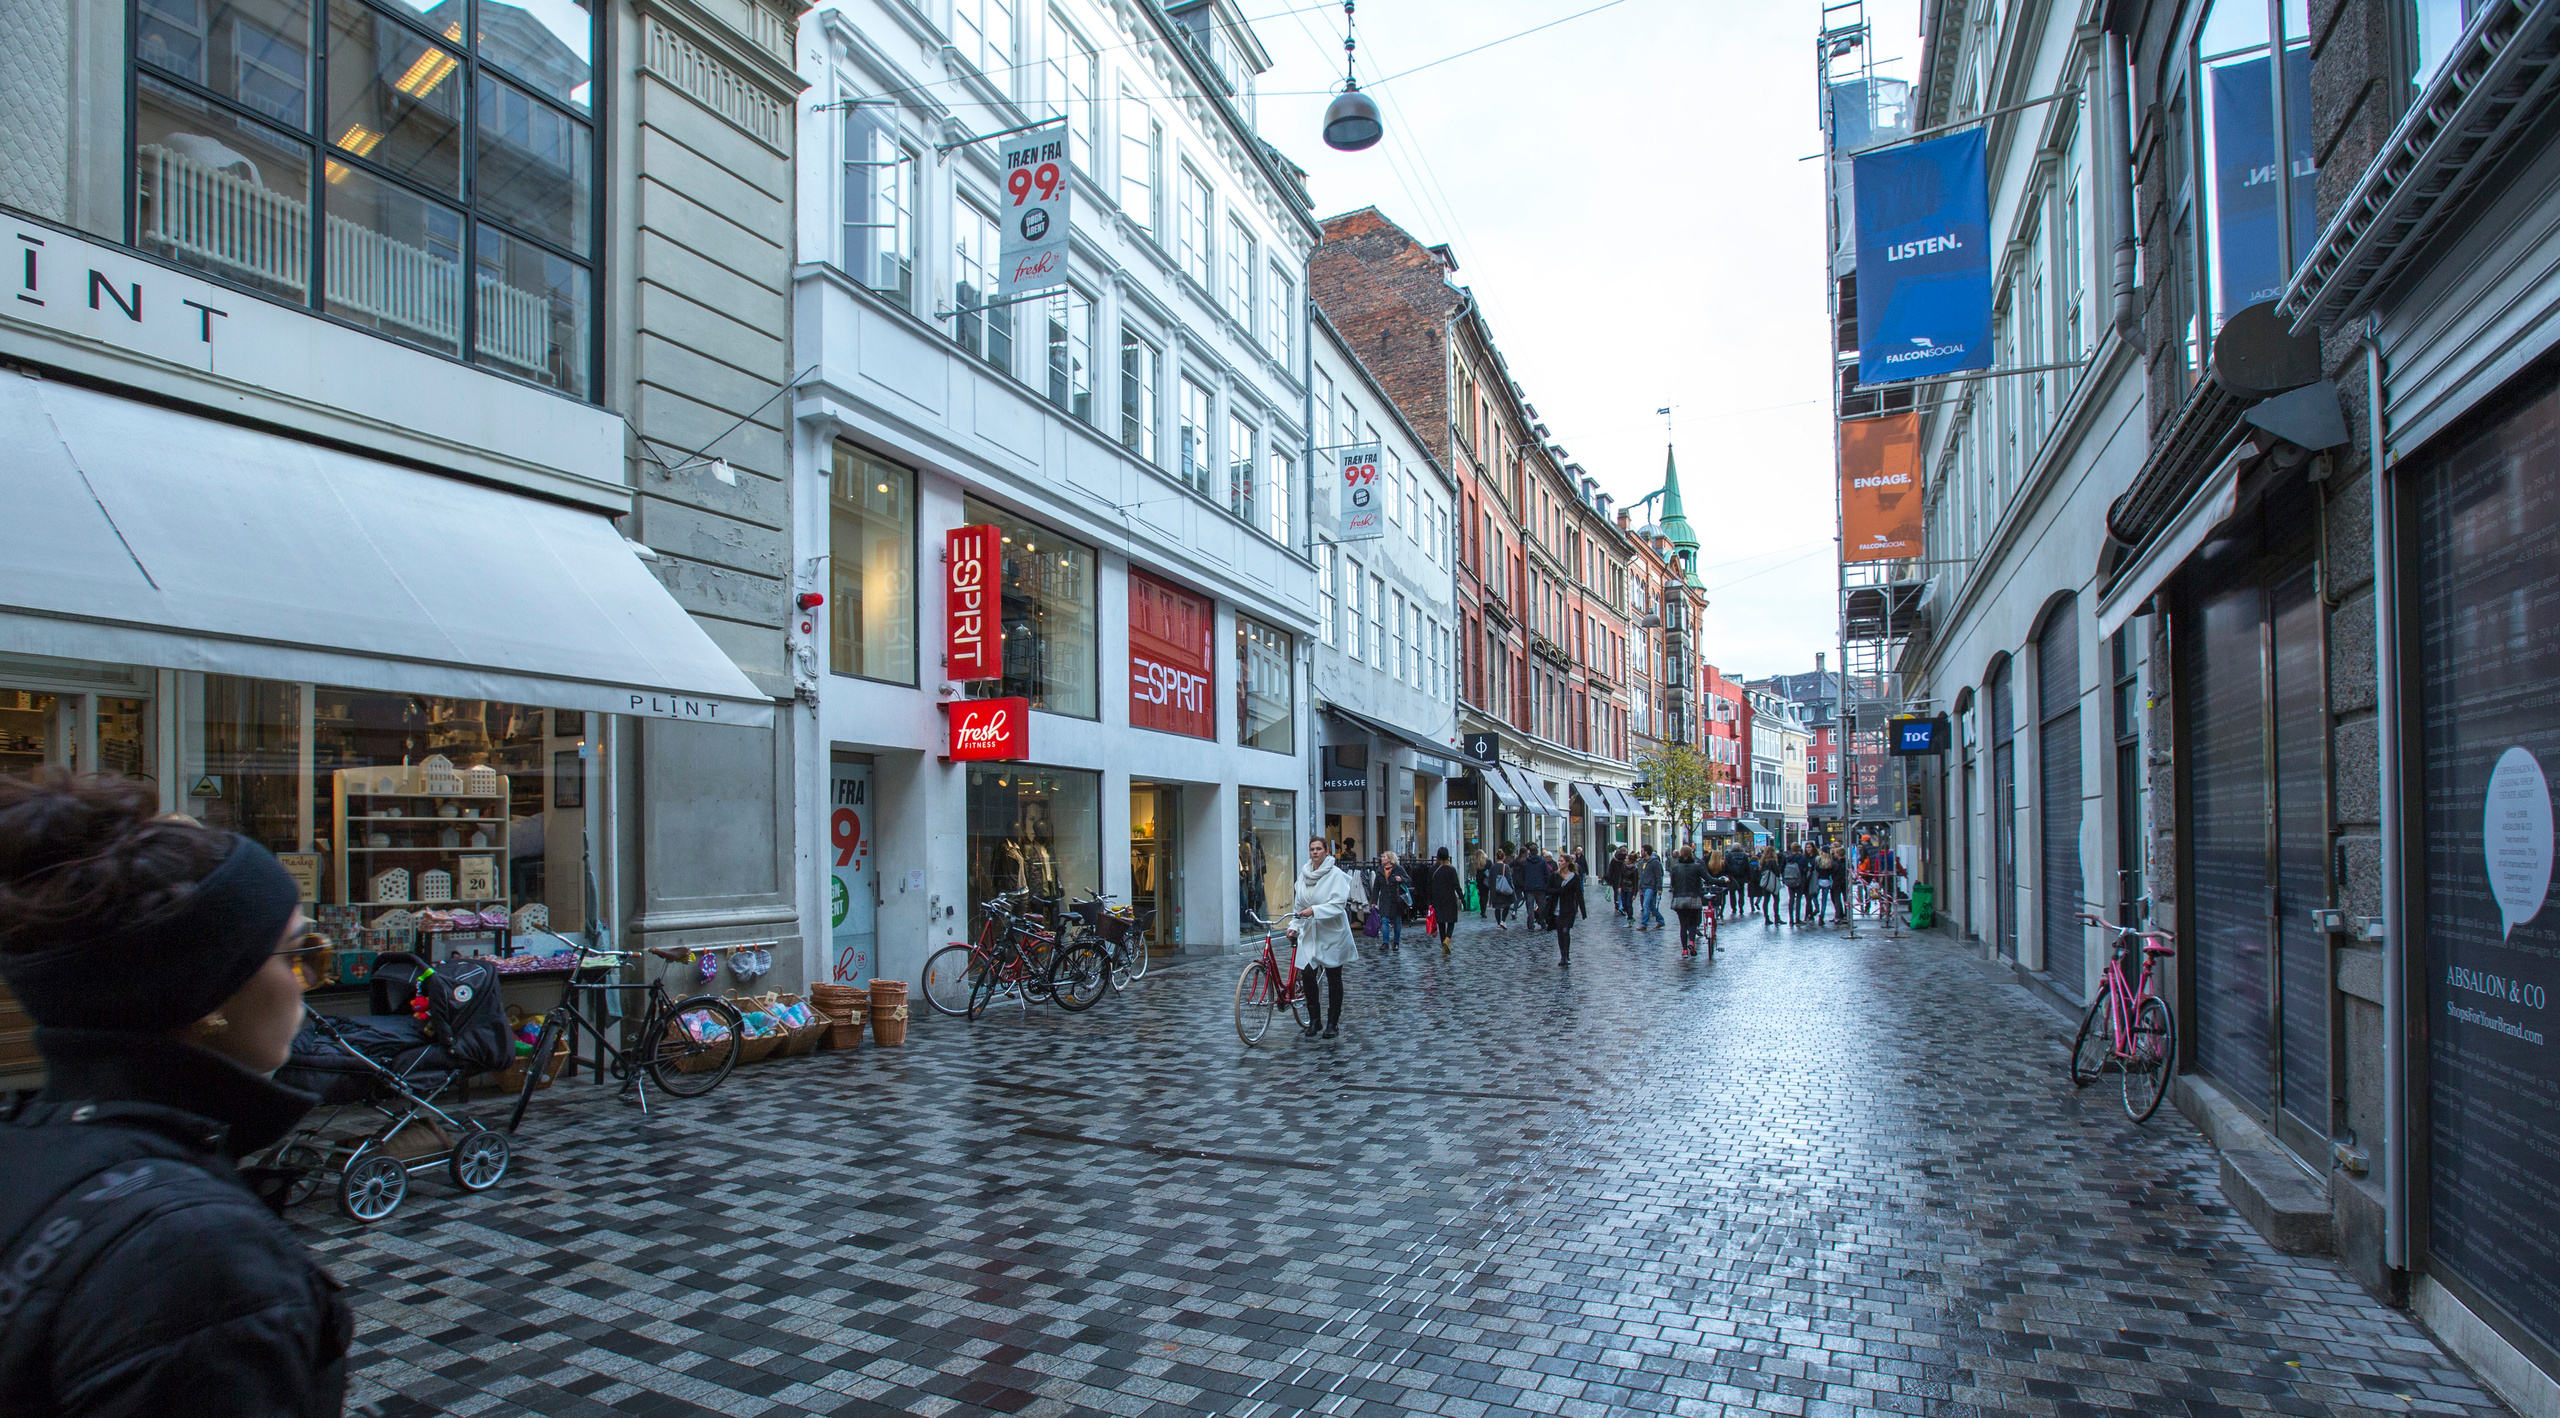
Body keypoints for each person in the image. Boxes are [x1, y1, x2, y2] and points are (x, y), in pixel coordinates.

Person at [0, 771, 353, 1415]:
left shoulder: (31, 1147)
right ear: (211, 994)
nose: (308, 981)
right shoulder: (195, 1254)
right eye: (299, 953)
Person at [1290, 836, 1360, 1039]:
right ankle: (1314, 1020)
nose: (1315, 852)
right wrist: (1294, 926)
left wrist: (1314, 910)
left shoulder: (1336, 875)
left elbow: (1338, 904)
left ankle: (1333, 1023)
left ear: (1327, 851)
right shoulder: (1304, 875)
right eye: (1312, 848)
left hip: (1331, 932)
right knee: (1308, 975)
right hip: (1310, 933)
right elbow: (1298, 906)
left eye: (1319, 848)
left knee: (1333, 976)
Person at [1666, 846, 1707, 956]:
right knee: (1693, 923)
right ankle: (1692, 942)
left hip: (1679, 899)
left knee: (1683, 925)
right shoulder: (1697, 867)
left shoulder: (1675, 868)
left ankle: (1684, 950)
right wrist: (1723, 881)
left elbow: (1673, 884)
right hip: (1693, 898)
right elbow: (1708, 879)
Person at [1548, 851, 1585, 966]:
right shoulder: (1555, 875)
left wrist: (1583, 911)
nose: (1559, 863)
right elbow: (1547, 890)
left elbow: (1579, 894)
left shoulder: (1575, 877)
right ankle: (1562, 955)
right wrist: (1557, 891)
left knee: (1565, 931)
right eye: (1559, 861)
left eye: (1562, 861)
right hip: (1557, 908)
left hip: (1569, 909)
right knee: (1560, 932)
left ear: (1568, 863)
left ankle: (1566, 955)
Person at [1426, 848, 1463, 953]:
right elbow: (1456, 885)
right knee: (1451, 922)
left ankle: (1444, 944)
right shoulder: (1451, 869)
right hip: (1450, 899)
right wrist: (1461, 897)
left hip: (1438, 900)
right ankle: (1447, 939)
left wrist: (1429, 901)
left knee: (1441, 923)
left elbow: (1428, 886)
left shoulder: (1433, 870)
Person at [1375, 851, 1410, 951]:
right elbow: (1376, 887)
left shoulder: (1398, 869)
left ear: (1390, 859)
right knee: (1385, 920)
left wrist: (1401, 879)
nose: (1382, 858)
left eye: (1384, 856)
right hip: (1384, 899)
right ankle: (1385, 942)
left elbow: (1408, 880)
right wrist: (1373, 901)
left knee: (1397, 921)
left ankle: (1396, 942)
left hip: (1396, 899)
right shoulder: (1379, 870)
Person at [1515, 845, 1552, 930]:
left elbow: (1523, 874)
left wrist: (1525, 883)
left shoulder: (1526, 862)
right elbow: (1547, 874)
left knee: (1530, 907)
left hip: (1529, 888)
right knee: (1541, 906)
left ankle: (1531, 924)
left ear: (1530, 852)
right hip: (1540, 887)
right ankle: (1542, 922)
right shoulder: (1542, 861)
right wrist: (1547, 885)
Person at [1636, 846, 1665, 931]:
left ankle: (1644, 924)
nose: (1641, 852)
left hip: (1651, 886)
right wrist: (1639, 887)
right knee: (1652, 906)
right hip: (1644, 886)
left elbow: (1658, 876)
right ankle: (1661, 920)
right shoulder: (1641, 862)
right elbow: (1640, 876)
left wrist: (1659, 888)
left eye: (1642, 850)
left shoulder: (1654, 862)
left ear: (1646, 851)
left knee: (1646, 905)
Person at [1489, 849, 1518, 928]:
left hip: (1495, 890)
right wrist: (1512, 887)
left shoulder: (1493, 867)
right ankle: (1503, 920)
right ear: (1504, 857)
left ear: (1496, 857)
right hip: (1504, 889)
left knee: (1497, 907)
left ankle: (1498, 922)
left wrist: (1491, 889)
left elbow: (1490, 879)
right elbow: (1509, 878)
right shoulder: (1506, 867)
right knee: (1507, 904)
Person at [1468, 843, 1490, 918]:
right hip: (1485, 880)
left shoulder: (1477, 863)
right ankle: (1483, 911)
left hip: (1479, 880)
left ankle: (1482, 910)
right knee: (1485, 895)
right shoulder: (1487, 862)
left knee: (1481, 894)